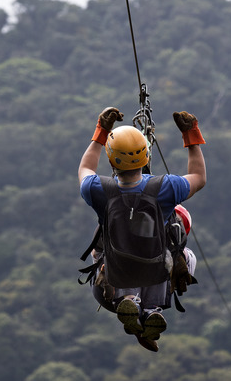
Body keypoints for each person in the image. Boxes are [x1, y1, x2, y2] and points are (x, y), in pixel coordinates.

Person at [78, 106, 206, 352]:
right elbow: (198, 177)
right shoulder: (166, 188)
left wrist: (101, 131)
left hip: (114, 277)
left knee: (103, 251)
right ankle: (152, 308)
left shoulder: (98, 190)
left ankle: (131, 298)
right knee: (185, 255)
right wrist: (191, 135)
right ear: (146, 155)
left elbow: (85, 169)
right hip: (156, 270)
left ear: (112, 159)